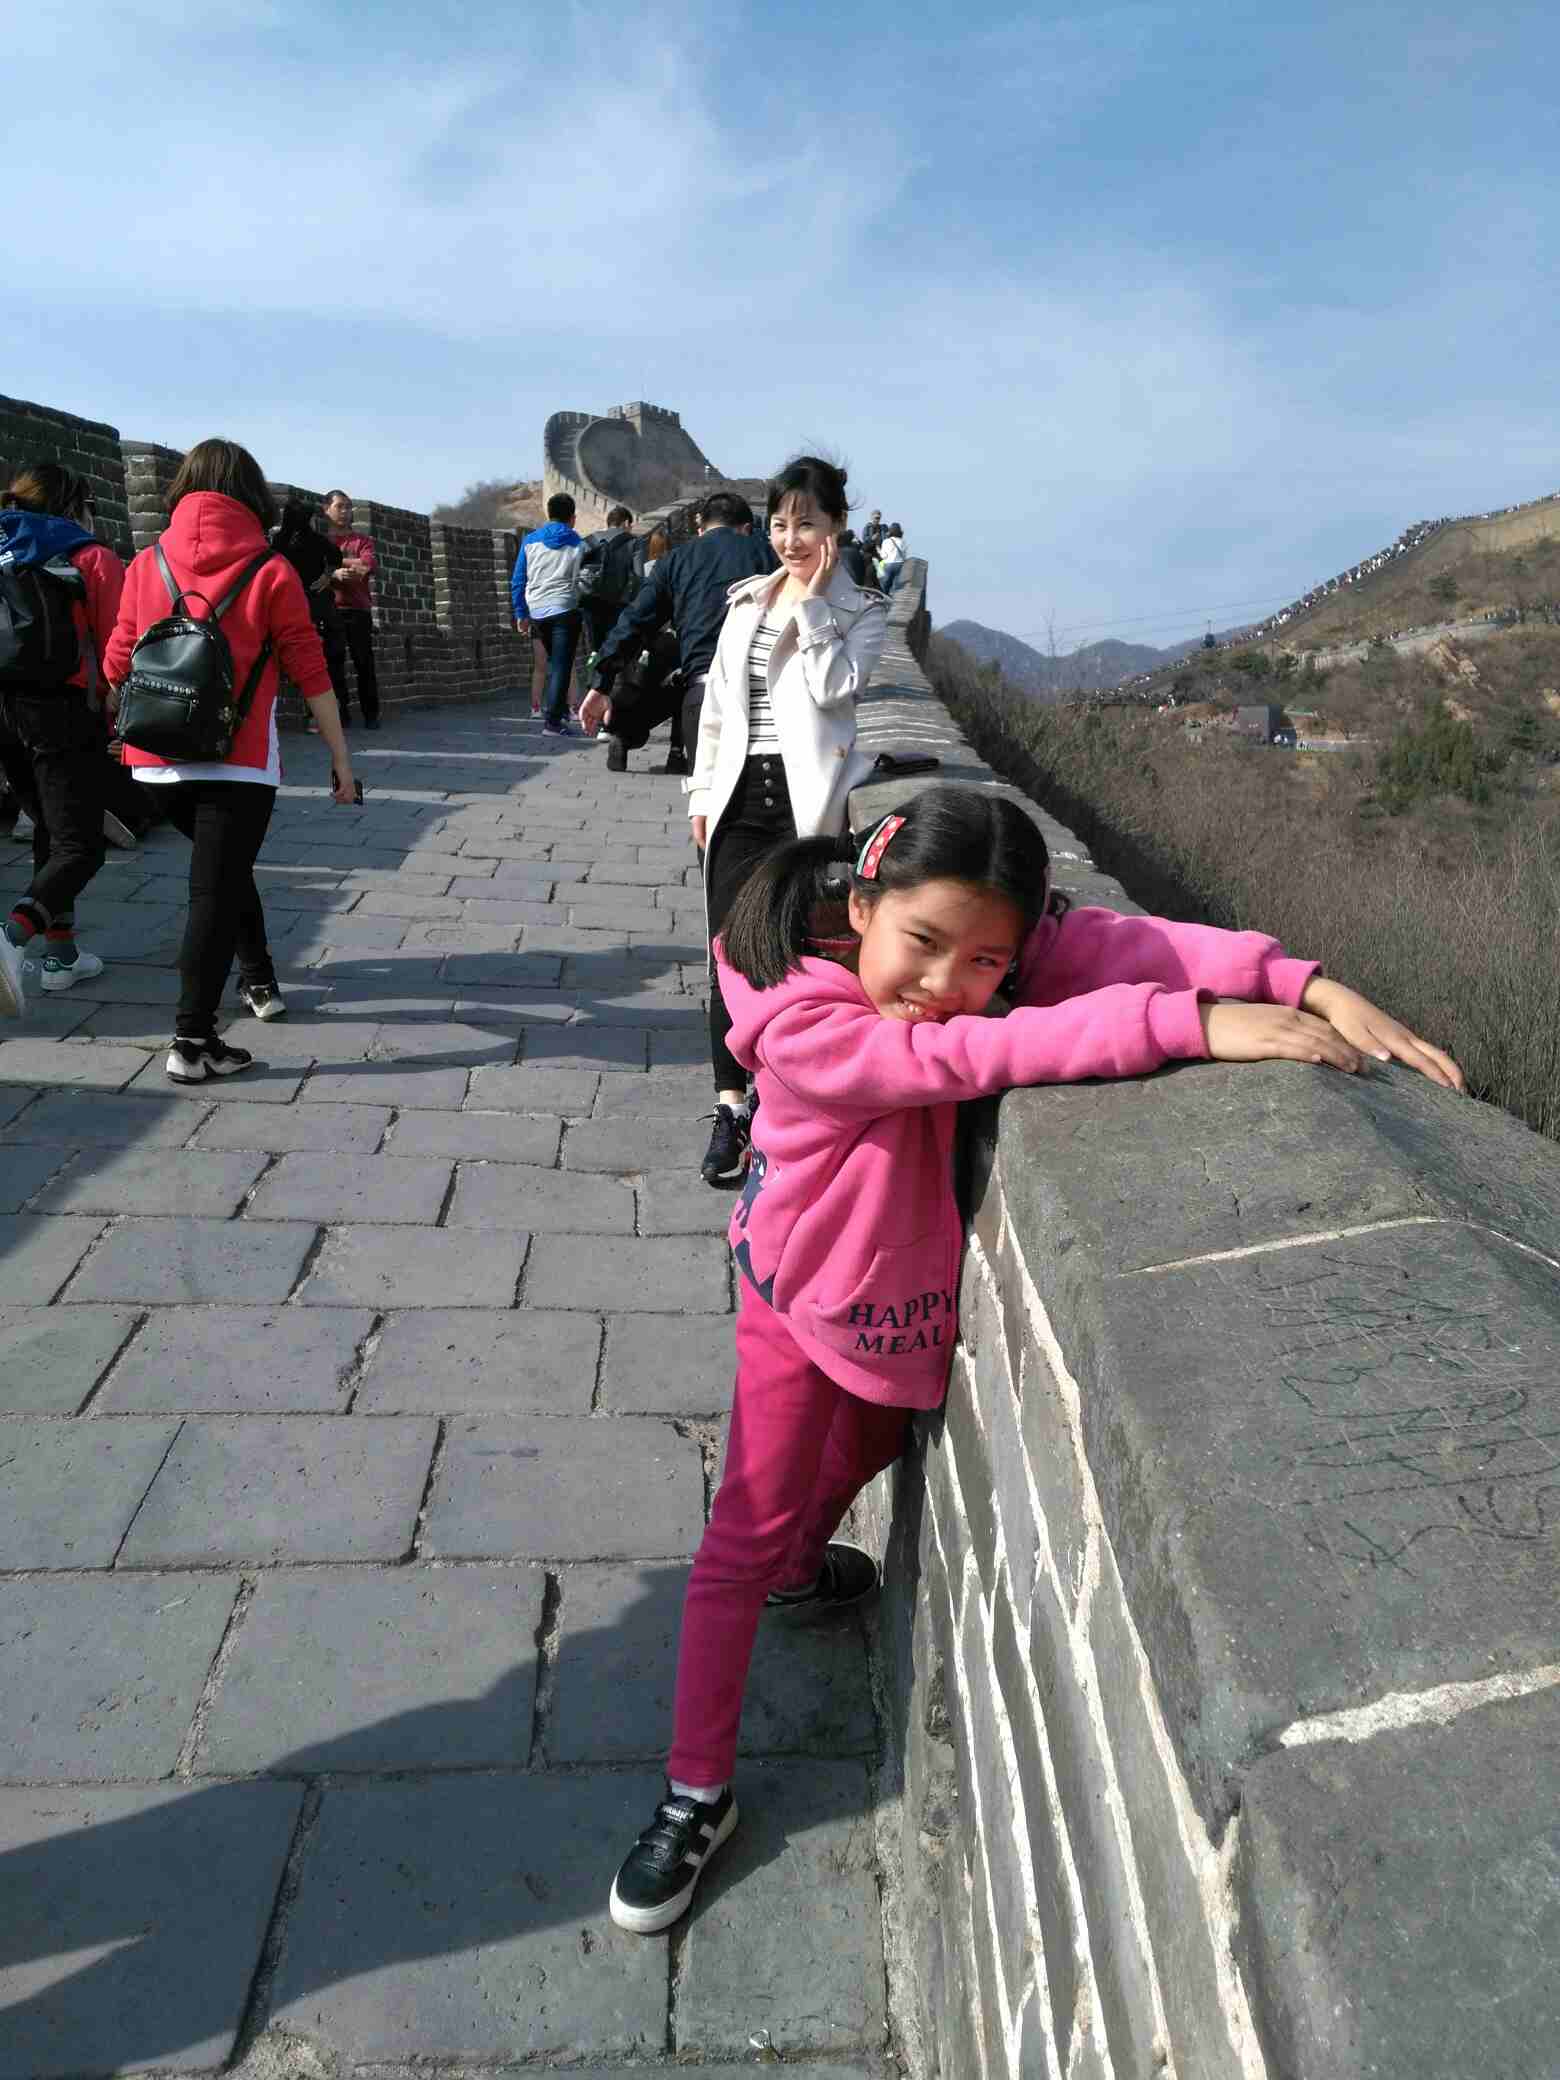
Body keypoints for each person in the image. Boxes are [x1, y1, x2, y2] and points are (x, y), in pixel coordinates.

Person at [606, 783, 1465, 1935]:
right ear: (862, 904)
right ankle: (695, 1791)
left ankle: (800, 1568)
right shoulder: (804, 1019)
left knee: (864, 1447)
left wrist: (1300, 982)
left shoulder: (975, 952)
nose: (943, 980)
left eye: (985, 960)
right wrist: (1191, 1024)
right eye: (923, 941)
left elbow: (1125, 943)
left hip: (886, 1310)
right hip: (793, 1291)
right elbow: (974, 1050)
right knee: (742, 1530)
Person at [103, 437, 356, 1079]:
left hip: (155, 761)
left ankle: (260, 978)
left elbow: (116, 661)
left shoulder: (145, 562)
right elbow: (312, 672)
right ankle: (192, 1043)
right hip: (238, 760)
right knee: (212, 889)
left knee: (223, 873)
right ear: (250, 493)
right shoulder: (271, 570)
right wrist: (341, 762)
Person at [687, 457, 887, 1187]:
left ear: (836, 526)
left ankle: (782, 1105)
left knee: (786, 953)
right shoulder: (746, 601)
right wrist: (701, 794)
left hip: (805, 803)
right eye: (779, 523)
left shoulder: (863, 611)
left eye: (806, 523)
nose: (790, 538)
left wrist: (814, 605)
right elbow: (717, 709)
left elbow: (836, 690)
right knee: (725, 953)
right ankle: (730, 1107)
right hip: (741, 797)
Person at [0, 462, 125, 1016]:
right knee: (82, 846)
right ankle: (10, 938)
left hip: (5, 711)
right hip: (62, 712)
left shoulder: (4, 548)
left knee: (51, 831)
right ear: (75, 505)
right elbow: (120, 644)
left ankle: (61, 956)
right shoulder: (89, 556)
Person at [579, 491, 773, 782]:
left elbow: (634, 621)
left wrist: (601, 682)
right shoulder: (768, 555)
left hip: (703, 693)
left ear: (701, 529)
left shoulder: (675, 560)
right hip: (762, 696)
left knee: (707, 794)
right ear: (747, 528)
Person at [512, 492, 584, 736]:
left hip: (537, 611)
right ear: (572, 518)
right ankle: (553, 722)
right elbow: (584, 578)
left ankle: (559, 712)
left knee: (555, 662)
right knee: (562, 665)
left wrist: (521, 613)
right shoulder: (578, 542)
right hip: (565, 608)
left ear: (548, 514)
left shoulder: (530, 541)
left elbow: (518, 580)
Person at [274, 498, 347, 723]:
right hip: (317, 603)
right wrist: (327, 576)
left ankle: (312, 715)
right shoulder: (315, 539)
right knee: (327, 659)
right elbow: (336, 557)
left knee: (304, 660)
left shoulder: (278, 541)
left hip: (293, 604)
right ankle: (334, 713)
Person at [322, 490, 380, 729]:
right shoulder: (321, 542)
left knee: (364, 663)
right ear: (326, 509)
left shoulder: (362, 541)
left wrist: (334, 563)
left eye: (348, 507)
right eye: (340, 506)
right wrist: (334, 573)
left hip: (358, 609)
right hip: (330, 610)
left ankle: (371, 715)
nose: (345, 511)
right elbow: (313, 570)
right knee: (333, 665)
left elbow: (368, 564)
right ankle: (341, 715)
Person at [577, 504, 641, 660]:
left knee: (595, 647)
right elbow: (639, 577)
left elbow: (574, 566)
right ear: (626, 523)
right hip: (617, 602)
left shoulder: (590, 539)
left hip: (590, 599)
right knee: (613, 646)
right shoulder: (634, 542)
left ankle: (593, 667)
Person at [877, 522, 907, 595]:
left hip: (888, 564)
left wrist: (878, 551)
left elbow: (883, 556)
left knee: (885, 585)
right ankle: (894, 598)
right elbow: (905, 555)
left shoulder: (886, 541)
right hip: (899, 564)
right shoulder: (903, 541)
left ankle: (884, 598)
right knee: (896, 586)